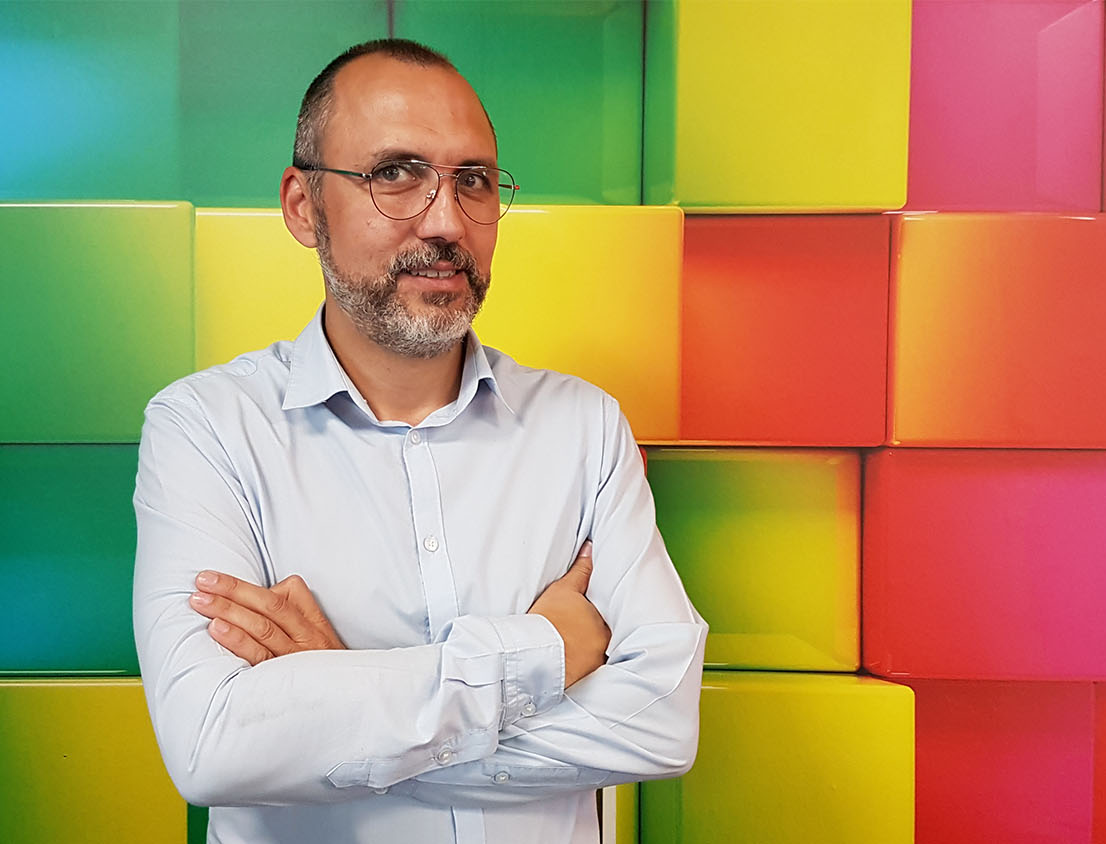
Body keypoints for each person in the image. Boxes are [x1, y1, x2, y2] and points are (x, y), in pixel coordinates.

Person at [132, 38, 707, 844]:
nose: (445, 221)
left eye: (473, 180)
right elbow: (212, 746)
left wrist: (334, 696)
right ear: (303, 206)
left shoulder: (584, 427)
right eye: (395, 173)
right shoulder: (206, 429)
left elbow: (662, 726)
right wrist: (543, 649)